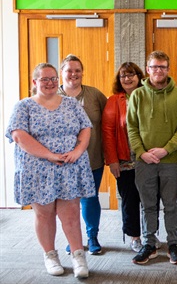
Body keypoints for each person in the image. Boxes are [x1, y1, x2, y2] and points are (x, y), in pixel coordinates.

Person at [5, 63, 94, 278]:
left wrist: (78, 150)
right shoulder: (24, 106)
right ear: (35, 82)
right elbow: (18, 136)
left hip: (69, 166)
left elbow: (85, 128)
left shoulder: (71, 104)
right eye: (44, 79)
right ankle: (50, 255)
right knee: (44, 214)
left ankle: (78, 255)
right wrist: (49, 155)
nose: (50, 83)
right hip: (38, 168)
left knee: (71, 213)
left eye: (53, 78)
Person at [127, 50, 177, 265]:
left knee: (170, 204)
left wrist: (166, 149)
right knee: (148, 204)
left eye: (162, 67)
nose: (158, 71)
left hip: (170, 160)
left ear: (168, 69)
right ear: (148, 69)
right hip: (144, 161)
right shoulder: (137, 95)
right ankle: (149, 244)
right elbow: (132, 128)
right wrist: (141, 152)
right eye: (154, 67)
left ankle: (173, 244)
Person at [59, 54, 107, 255]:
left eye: (77, 70)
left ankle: (92, 236)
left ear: (82, 72)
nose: (73, 74)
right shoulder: (53, 97)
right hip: (62, 161)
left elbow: (109, 124)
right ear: (62, 73)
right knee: (68, 202)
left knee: (90, 197)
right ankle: (73, 239)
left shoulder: (95, 95)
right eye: (69, 70)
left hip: (93, 158)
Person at [102, 62, 144, 253]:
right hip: (125, 160)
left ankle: (151, 234)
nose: (127, 79)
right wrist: (112, 160)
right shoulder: (113, 100)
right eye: (123, 76)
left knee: (151, 199)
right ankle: (135, 237)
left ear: (139, 76)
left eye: (131, 74)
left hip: (149, 159)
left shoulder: (148, 95)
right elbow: (108, 131)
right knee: (130, 199)